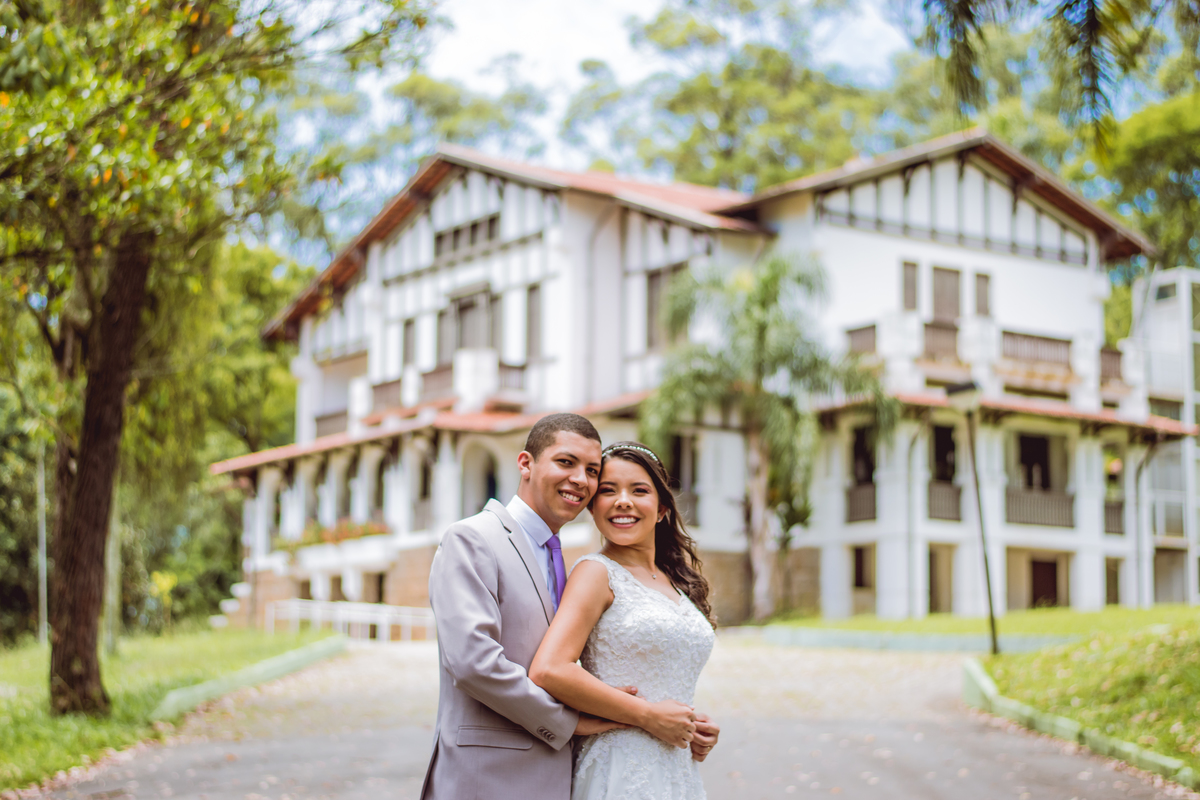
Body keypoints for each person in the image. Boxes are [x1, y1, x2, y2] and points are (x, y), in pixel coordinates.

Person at [420, 416, 714, 800]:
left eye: (591, 471)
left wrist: (685, 724)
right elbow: (473, 663)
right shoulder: (473, 539)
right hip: (489, 775)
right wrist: (574, 720)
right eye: (566, 462)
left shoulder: (561, 557)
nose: (580, 479)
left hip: (573, 774)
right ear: (526, 463)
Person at [530, 440, 719, 799]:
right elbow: (549, 669)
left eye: (639, 490)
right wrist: (648, 715)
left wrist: (693, 726)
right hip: (619, 767)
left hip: (677, 769)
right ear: (592, 506)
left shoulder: (674, 581)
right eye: (608, 491)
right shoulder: (595, 572)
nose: (623, 501)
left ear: (662, 508)